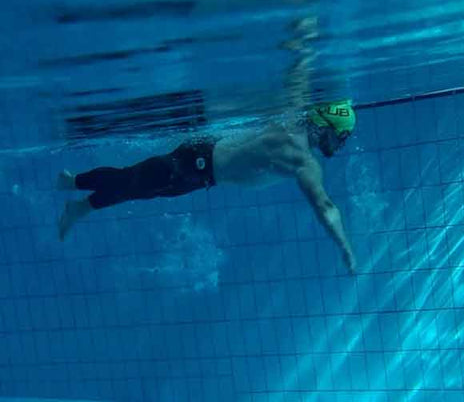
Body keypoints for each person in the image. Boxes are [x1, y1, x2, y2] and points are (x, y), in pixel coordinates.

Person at [57, 18, 357, 273]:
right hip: (196, 169)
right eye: (339, 136)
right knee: (132, 183)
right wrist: (345, 247)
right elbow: (325, 207)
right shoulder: (303, 160)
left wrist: (303, 32)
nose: (337, 145)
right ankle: (75, 188)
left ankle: (79, 198)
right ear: (326, 126)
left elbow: (297, 71)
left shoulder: (292, 115)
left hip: (200, 159)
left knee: (136, 186)